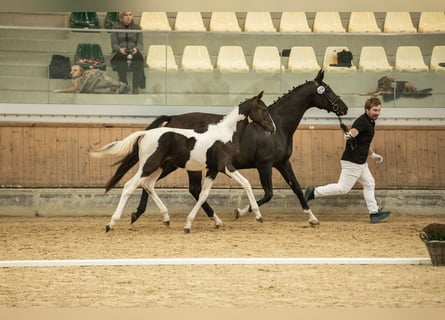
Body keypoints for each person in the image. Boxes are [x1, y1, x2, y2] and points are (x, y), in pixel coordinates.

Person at [304, 97, 391, 224]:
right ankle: (314, 192)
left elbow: (365, 142)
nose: (377, 113)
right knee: (343, 188)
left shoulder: (371, 121)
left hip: (360, 162)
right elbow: (355, 131)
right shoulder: (362, 121)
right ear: (367, 110)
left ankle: (374, 213)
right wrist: (349, 135)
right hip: (353, 161)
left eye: (378, 110)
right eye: (374, 110)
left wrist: (372, 154)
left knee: (369, 183)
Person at [110, 12, 145, 94]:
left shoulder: (137, 28)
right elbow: (114, 44)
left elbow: (140, 43)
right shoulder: (115, 28)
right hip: (120, 51)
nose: (128, 17)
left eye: (130, 15)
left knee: (139, 59)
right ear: (122, 17)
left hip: (133, 51)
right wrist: (120, 49)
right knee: (120, 58)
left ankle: (135, 87)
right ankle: (123, 83)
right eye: (126, 15)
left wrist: (136, 49)